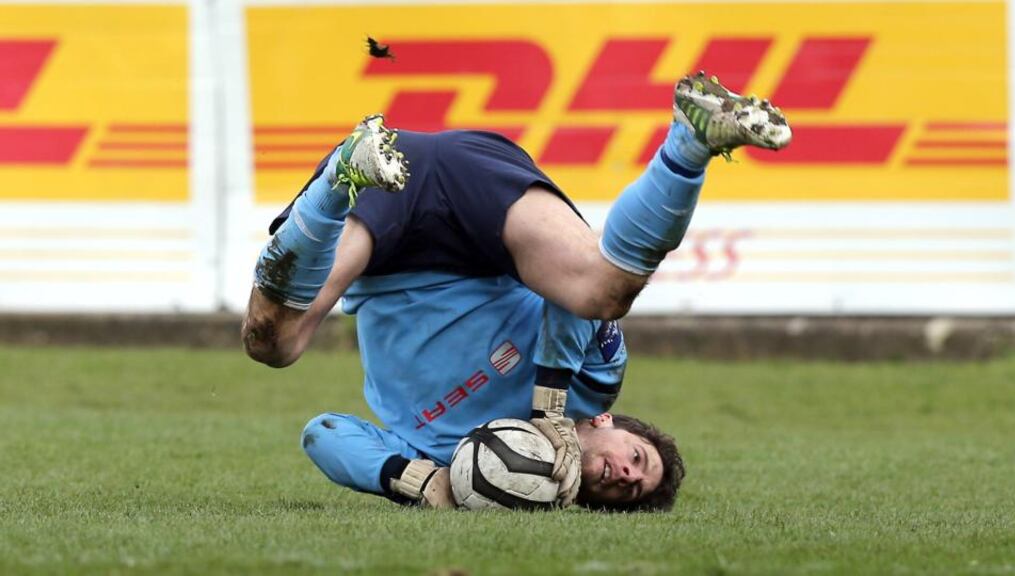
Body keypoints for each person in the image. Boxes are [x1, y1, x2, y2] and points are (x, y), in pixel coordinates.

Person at [242, 72, 791, 510]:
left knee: (273, 341)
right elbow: (573, 311)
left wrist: (425, 482)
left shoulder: (448, 455)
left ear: (578, 493)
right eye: (637, 460)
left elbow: (325, 434)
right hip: (477, 205)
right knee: (600, 292)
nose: (623, 474)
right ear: (610, 424)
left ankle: (341, 179)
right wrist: (551, 401)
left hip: (390, 248)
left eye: (623, 489)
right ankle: (689, 145)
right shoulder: (596, 387)